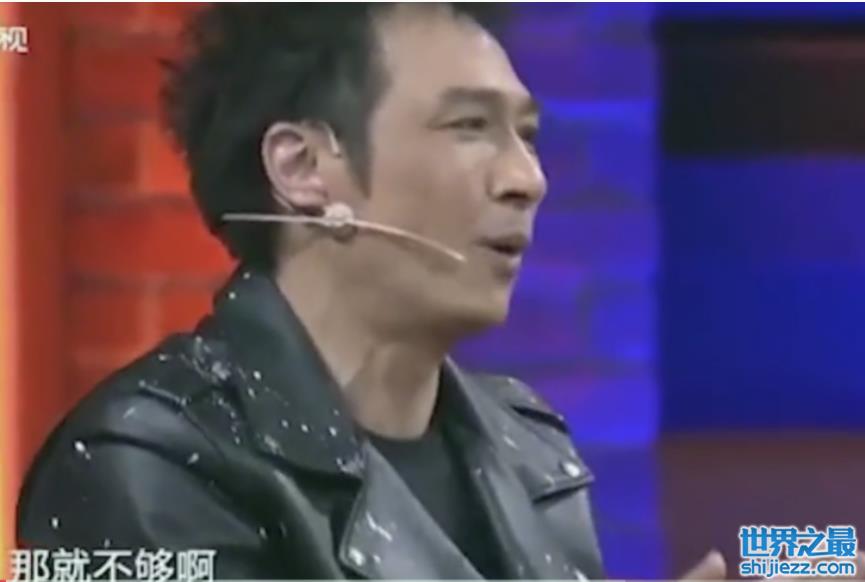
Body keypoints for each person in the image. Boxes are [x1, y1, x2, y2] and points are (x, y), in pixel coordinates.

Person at [17, 4, 730, 579]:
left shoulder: (531, 451)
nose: (527, 179)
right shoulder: (146, 465)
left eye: (527, 135)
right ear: (301, 168)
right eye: (470, 127)